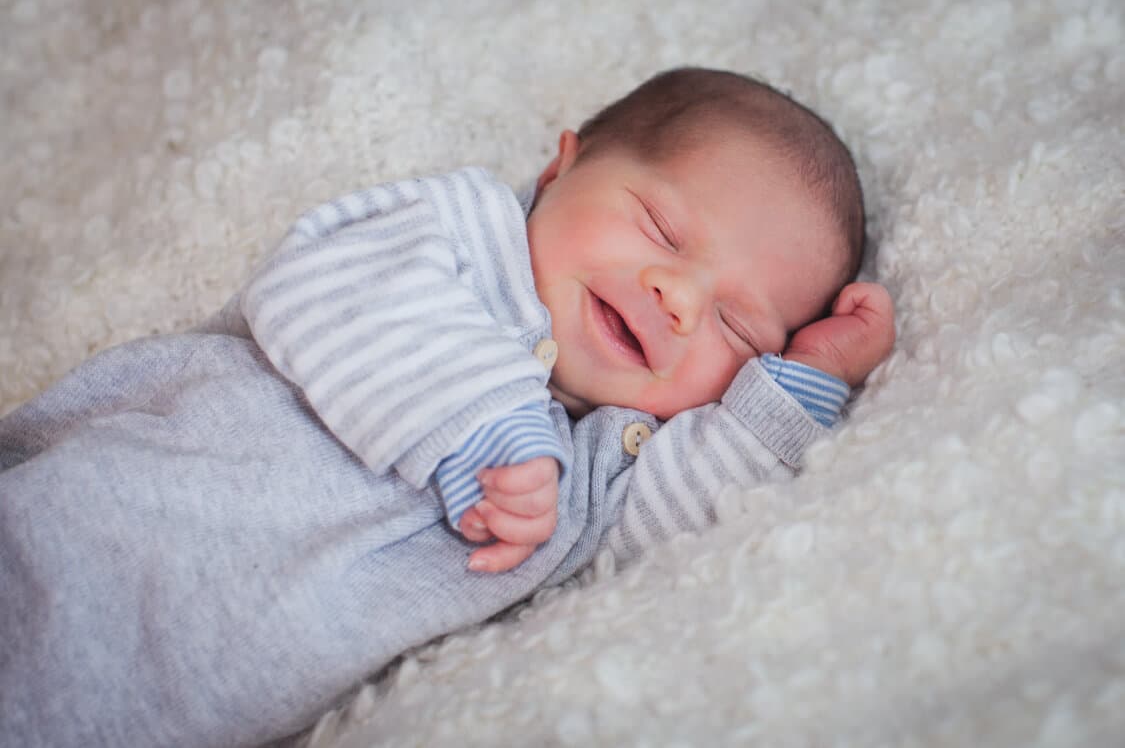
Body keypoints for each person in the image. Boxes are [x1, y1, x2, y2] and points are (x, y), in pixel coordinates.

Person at [0, 68, 894, 747]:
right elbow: (325, 289)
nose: (677, 299)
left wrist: (801, 385)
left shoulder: (594, 464)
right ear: (559, 167)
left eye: (735, 326)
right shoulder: (450, 240)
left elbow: (678, 527)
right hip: (68, 538)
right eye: (660, 231)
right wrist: (489, 430)